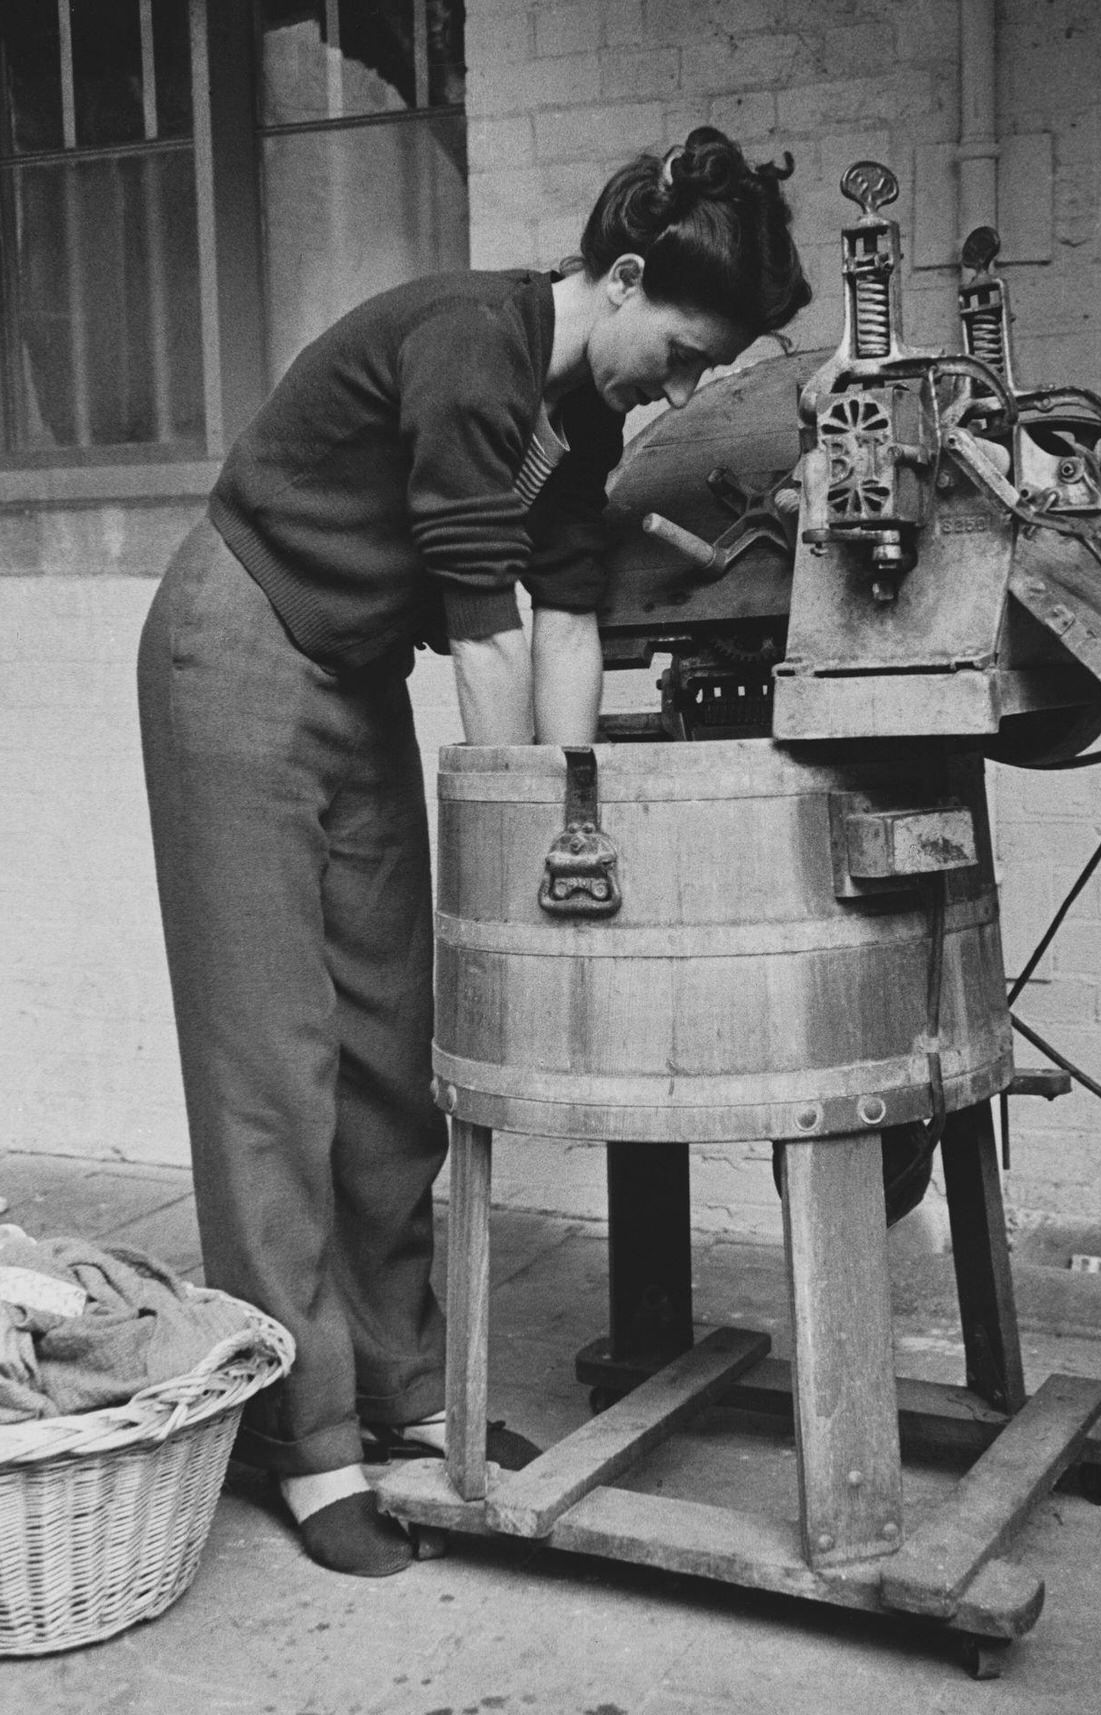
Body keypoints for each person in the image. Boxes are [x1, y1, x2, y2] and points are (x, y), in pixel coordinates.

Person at [137, 126, 810, 1578]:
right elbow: (486, 622)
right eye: (685, 352)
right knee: (276, 1063)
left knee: (395, 1049)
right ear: (623, 276)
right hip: (238, 647)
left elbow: (566, 617)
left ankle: (407, 1401)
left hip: (352, 674)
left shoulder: (579, 415)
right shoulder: (471, 344)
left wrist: (575, 817)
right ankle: (304, 1442)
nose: (686, 392)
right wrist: (515, 833)